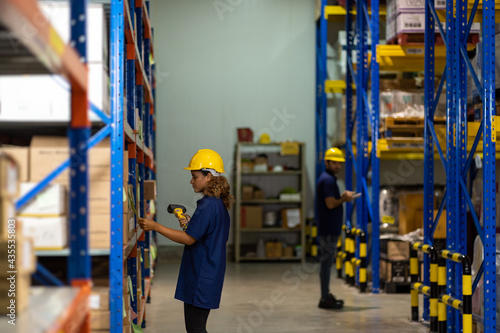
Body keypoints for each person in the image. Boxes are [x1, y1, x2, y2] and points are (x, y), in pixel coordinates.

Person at [138, 149, 233, 333]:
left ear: (208, 176)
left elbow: (189, 239)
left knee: (195, 329)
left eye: (194, 176)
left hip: (200, 276)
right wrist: (192, 223)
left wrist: (155, 227)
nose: (191, 181)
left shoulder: (207, 205)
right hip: (210, 275)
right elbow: (217, 237)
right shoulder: (219, 204)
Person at [316, 147, 354, 309]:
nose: (337, 166)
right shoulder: (329, 181)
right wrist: (344, 199)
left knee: (326, 262)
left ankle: (325, 294)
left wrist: (341, 197)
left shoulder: (326, 179)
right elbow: (330, 204)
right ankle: (324, 298)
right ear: (327, 162)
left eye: (339, 163)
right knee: (326, 263)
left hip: (327, 227)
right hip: (329, 228)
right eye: (334, 163)